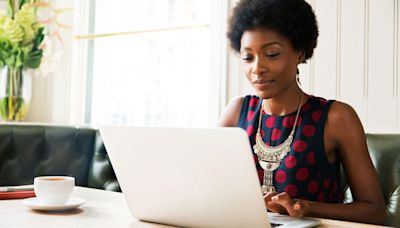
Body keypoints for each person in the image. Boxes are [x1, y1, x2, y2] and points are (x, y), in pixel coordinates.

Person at [219, 0, 386, 225]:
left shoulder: (336, 118)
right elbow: (209, 188)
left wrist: (305, 207)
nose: (257, 68)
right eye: (248, 57)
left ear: (299, 52)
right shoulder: (236, 112)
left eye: (272, 54)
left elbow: (374, 212)